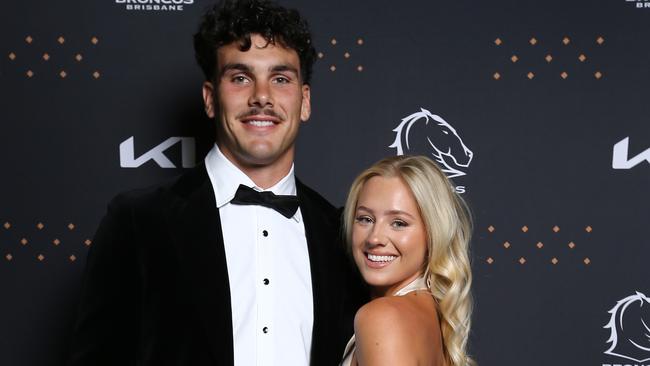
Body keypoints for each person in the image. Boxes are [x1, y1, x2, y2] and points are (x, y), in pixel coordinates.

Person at [67, 1, 362, 365]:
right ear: (210, 99)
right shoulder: (138, 221)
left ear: (304, 101)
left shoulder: (341, 235)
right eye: (240, 78)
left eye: (281, 78)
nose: (262, 97)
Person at [340, 155, 474, 366]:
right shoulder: (431, 315)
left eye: (399, 223)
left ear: (432, 233)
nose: (374, 238)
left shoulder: (382, 317)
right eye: (365, 219)